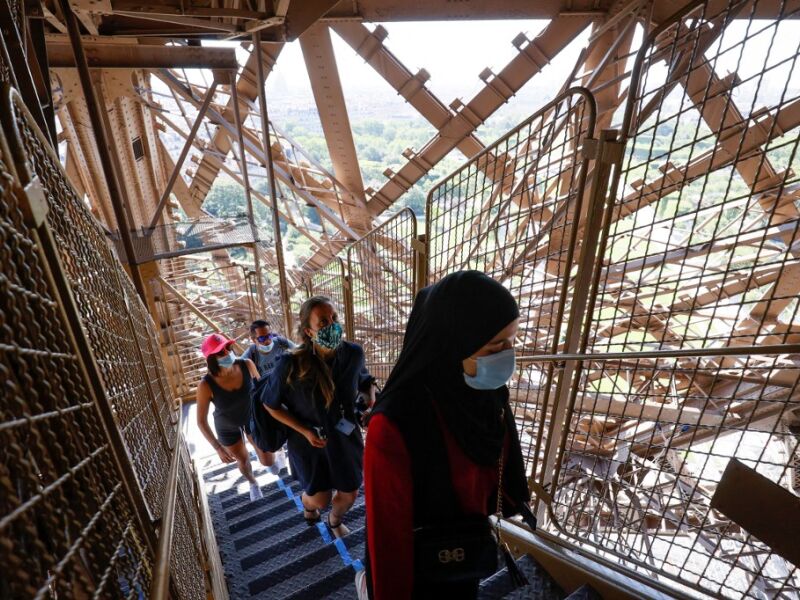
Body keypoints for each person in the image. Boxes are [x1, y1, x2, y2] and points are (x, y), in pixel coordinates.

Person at [362, 271, 531, 599]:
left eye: (512, 340)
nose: (508, 354)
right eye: (496, 344)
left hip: (467, 551)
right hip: (423, 567)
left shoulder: (486, 393)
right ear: (453, 342)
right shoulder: (394, 424)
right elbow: (387, 539)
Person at [263, 296, 376, 538]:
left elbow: (365, 382)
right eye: (323, 322)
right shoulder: (291, 363)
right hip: (308, 443)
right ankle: (308, 506)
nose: (332, 325)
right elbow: (270, 404)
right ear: (308, 331)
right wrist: (304, 431)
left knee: (350, 493)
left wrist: (369, 398)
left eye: (334, 318)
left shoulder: (353, 354)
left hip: (345, 438)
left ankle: (334, 521)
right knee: (320, 499)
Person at [196, 333, 277, 501]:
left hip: (251, 418)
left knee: (268, 461)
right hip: (227, 425)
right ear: (211, 359)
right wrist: (217, 447)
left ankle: (273, 452)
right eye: (220, 352)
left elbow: (263, 392)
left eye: (228, 348)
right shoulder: (205, 385)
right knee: (242, 459)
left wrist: (273, 421)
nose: (227, 353)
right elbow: (201, 421)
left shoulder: (247, 364)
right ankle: (253, 482)